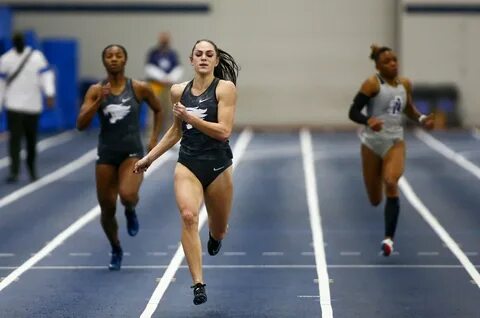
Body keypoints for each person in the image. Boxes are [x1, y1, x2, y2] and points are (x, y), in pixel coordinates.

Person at [134, 39, 239, 305]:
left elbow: (224, 131)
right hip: (188, 164)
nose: (203, 58)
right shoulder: (178, 91)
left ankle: (216, 236)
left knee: (219, 229)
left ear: (216, 61)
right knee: (189, 216)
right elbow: (176, 132)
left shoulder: (225, 89)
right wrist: (150, 158)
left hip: (217, 166)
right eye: (198, 54)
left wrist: (191, 118)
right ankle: (198, 284)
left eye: (209, 54)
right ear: (191, 61)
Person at [76, 44, 162, 270]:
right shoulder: (96, 90)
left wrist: (153, 137)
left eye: (118, 56)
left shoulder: (139, 87)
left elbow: (158, 108)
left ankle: (131, 209)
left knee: (127, 194)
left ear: (125, 60)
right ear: (104, 61)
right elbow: (81, 125)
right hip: (106, 154)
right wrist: (97, 101)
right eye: (109, 56)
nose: (114, 59)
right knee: (107, 209)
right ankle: (116, 247)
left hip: (132, 151)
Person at [348, 44, 434, 257]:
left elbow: (409, 109)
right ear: (378, 65)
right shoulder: (371, 84)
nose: (393, 64)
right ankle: (386, 227)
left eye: (395, 60)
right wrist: (369, 120)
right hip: (371, 143)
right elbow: (353, 112)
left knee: (391, 181)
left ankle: (388, 239)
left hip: (395, 141)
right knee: (375, 199)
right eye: (387, 61)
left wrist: (422, 119)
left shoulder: (405, 84)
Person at [0, 32, 55, 183]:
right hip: (14, 105)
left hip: (33, 105)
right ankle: (14, 171)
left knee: (31, 141)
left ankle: (32, 170)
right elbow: (1, 84)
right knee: (15, 141)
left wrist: (49, 94)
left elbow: (46, 76)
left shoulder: (37, 57)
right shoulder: (5, 60)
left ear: (24, 42)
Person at [145, 32, 183, 133]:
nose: (164, 41)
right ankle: (151, 137)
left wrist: (170, 78)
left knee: (171, 112)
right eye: (163, 39)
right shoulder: (153, 53)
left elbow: (178, 68)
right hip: (156, 86)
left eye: (166, 39)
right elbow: (149, 68)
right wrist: (161, 77)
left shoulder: (172, 54)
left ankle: (171, 138)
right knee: (154, 111)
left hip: (169, 86)